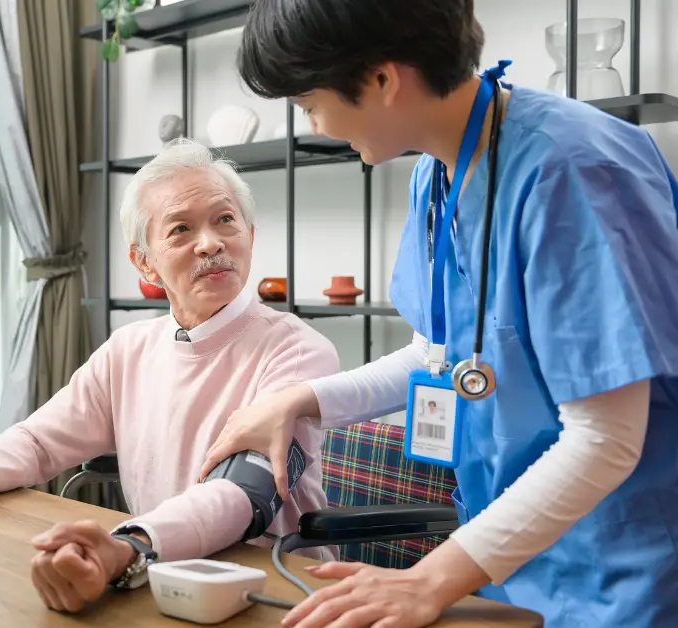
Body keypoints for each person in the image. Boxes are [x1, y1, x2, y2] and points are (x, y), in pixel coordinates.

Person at [198, 1, 678, 626]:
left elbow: (606, 438)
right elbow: (443, 354)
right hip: (508, 562)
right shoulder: (437, 174)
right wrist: (300, 400)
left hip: (620, 571)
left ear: (381, 79)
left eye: (308, 101)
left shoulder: (573, 170)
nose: (315, 124)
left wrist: (426, 581)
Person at [0, 138, 342, 612]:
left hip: (277, 588)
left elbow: (242, 497)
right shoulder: (130, 348)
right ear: (143, 262)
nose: (210, 243)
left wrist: (127, 547)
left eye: (225, 220)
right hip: (161, 575)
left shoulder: (299, 351)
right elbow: (40, 441)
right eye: (180, 229)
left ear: (250, 236)